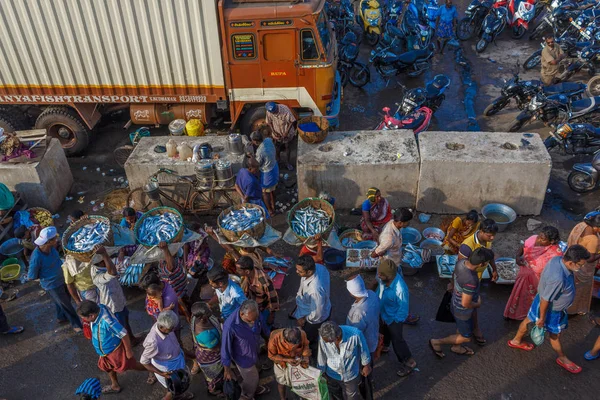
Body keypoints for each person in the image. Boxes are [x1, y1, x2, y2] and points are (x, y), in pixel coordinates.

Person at [508, 245, 591, 374]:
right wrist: (542, 318)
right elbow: (546, 300)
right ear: (570, 262)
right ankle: (562, 358)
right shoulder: (558, 279)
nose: (581, 267)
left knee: (528, 319)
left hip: (540, 300)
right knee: (554, 335)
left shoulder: (557, 259)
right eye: (580, 265)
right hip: (550, 310)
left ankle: (516, 340)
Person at [429, 248, 495, 358]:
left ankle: (457, 346)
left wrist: (453, 285)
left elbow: (454, 275)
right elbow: (465, 303)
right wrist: (477, 304)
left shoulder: (461, 262)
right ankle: (436, 342)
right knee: (466, 337)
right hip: (462, 310)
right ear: (482, 264)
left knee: (461, 328)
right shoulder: (471, 279)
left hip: (455, 301)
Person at [77, 301, 146, 394]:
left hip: (115, 351)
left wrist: (128, 351)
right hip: (105, 353)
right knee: (108, 367)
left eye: (84, 318)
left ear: (91, 316)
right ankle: (115, 385)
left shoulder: (108, 322)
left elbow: (124, 334)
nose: (83, 320)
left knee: (131, 365)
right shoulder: (98, 308)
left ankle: (152, 370)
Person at [27, 226, 82, 332]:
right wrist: (46, 277)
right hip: (52, 284)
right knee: (66, 305)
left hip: (62, 278)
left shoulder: (51, 248)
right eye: (55, 239)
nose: (57, 240)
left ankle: (61, 317)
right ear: (49, 241)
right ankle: (76, 324)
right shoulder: (37, 257)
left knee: (63, 300)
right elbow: (32, 276)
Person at [504, 226, 562, 320]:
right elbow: (523, 247)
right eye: (539, 236)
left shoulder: (556, 254)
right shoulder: (533, 239)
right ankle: (513, 313)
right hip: (523, 277)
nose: (538, 240)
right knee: (517, 296)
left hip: (536, 283)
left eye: (542, 239)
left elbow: (555, 273)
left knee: (529, 300)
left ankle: (528, 315)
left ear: (551, 241)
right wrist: (518, 257)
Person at [221, 300, 271, 399]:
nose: (253, 322)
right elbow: (225, 348)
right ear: (242, 314)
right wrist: (227, 369)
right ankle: (246, 395)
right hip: (243, 358)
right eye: (249, 321)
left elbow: (263, 328)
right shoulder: (230, 326)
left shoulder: (254, 314)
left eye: (255, 319)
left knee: (256, 372)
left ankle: (254, 388)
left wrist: (269, 340)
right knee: (251, 379)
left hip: (255, 351)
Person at [375, 259, 417, 377]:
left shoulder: (400, 289)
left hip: (394, 318)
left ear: (388, 276)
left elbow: (403, 310)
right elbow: (379, 291)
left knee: (398, 341)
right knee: (385, 332)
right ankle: (385, 346)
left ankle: (408, 362)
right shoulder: (384, 279)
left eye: (381, 274)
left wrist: (394, 322)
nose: (378, 275)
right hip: (384, 315)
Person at [140, 310, 193, 400]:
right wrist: (162, 374)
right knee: (174, 387)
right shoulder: (153, 342)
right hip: (168, 368)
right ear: (161, 326)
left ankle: (178, 395)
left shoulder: (164, 323)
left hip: (177, 360)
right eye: (170, 329)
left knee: (177, 385)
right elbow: (144, 362)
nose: (173, 330)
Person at [91, 246, 139, 343]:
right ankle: (126, 347)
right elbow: (112, 272)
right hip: (113, 305)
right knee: (120, 328)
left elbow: (115, 268)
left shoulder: (104, 266)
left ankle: (132, 340)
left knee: (126, 320)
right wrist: (104, 254)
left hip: (119, 299)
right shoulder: (97, 275)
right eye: (105, 259)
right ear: (101, 262)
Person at [317, 321, 372, 400]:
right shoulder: (323, 337)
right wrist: (320, 373)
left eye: (328, 341)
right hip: (332, 374)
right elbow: (321, 355)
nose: (325, 342)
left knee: (352, 396)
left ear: (337, 337)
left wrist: (366, 365)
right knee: (335, 394)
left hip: (350, 374)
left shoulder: (356, 334)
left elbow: (364, 350)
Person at [565, 211, 600, 315]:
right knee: (580, 289)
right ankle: (573, 309)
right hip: (583, 268)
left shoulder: (581, 225)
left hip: (572, 257)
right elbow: (590, 258)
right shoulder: (593, 239)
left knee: (569, 285)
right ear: (596, 227)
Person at [293, 255, 331, 348]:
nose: (296, 272)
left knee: (308, 337)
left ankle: (310, 347)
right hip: (312, 307)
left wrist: (304, 319)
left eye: (300, 271)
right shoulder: (319, 267)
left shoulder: (315, 290)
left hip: (313, 319)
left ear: (309, 271)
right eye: (297, 269)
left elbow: (317, 313)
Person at [190, 302, 224, 396]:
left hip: (208, 352)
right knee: (215, 377)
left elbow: (215, 319)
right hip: (211, 358)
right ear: (201, 317)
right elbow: (216, 348)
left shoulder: (197, 318)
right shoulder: (205, 334)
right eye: (208, 313)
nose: (211, 312)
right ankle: (214, 391)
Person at [268, 327, 311, 400]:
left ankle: (302, 397)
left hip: (298, 362)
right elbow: (271, 356)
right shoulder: (274, 338)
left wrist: (305, 356)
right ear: (285, 340)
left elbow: (306, 345)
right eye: (293, 345)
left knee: (301, 382)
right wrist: (286, 359)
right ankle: (283, 398)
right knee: (281, 383)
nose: (295, 346)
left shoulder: (302, 333)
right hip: (281, 364)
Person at [236, 256, 279, 326]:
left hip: (263, 308)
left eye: (239, 270)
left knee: (265, 325)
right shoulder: (250, 273)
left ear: (247, 271)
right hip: (253, 302)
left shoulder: (264, 282)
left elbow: (273, 297)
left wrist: (272, 315)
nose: (236, 271)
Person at [346, 275, 380, 357]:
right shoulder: (372, 294)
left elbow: (355, 334)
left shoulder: (358, 313)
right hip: (373, 334)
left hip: (364, 344)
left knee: (365, 362)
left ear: (352, 293)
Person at [157, 241, 191, 320]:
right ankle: (188, 315)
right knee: (184, 305)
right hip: (179, 287)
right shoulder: (164, 264)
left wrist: (165, 249)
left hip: (179, 287)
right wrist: (165, 250)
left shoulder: (173, 260)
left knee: (184, 305)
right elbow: (170, 266)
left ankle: (188, 316)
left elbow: (171, 266)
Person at [252, 128, 279, 216]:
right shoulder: (268, 140)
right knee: (273, 189)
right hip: (274, 167)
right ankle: (273, 205)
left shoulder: (260, 151)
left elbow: (257, 164)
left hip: (267, 173)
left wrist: (251, 156)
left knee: (265, 192)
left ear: (255, 141)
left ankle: (270, 210)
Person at [265, 101, 296, 171]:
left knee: (287, 146)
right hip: (277, 131)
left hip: (286, 131)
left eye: (275, 112)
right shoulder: (269, 111)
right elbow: (269, 122)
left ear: (276, 108)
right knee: (277, 147)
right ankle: (278, 161)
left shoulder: (284, 109)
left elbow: (292, 121)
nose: (274, 114)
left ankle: (288, 163)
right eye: (273, 113)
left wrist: (286, 132)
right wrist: (274, 132)